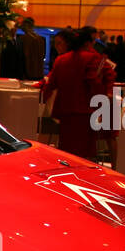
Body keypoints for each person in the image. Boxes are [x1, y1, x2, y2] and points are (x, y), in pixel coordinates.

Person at [39, 27, 112, 162]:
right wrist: (103, 103)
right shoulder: (92, 58)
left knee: (66, 151)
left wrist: (45, 99)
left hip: (65, 112)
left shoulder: (61, 60)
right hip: (86, 111)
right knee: (85, 154)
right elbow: (93, 83)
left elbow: (51, 85)